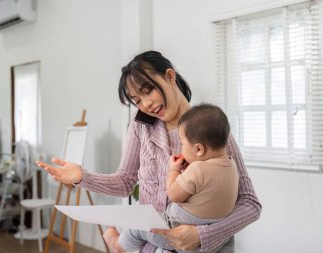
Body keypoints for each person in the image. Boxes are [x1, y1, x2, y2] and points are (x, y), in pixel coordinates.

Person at [37, 51, 262, 253]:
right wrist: (82, 177)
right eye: (137, 100)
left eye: (148, 91)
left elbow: (250, 204)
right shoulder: (141, 127)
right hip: (151, 244)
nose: (146, 104)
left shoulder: (209, 130)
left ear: (170, 77)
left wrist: (201, 235)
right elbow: (125, 182)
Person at [111, 103, 239, 253]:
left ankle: (118, 246)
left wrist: (174, 171)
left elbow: (173, 194)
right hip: (215, 241)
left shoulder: (197, 170)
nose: (181, 148)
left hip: (178, 233)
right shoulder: (232, 166)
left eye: (182, 143)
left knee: (139, 224)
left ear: (199, 149)